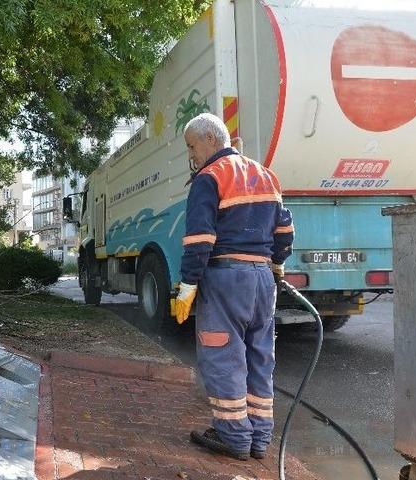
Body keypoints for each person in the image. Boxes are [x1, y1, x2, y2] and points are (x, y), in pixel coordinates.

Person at [173, 113, 294, 460]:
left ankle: (234, 437)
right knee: (260, 356)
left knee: (222, 356)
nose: (191, 156)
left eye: (191, 146)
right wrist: (276, 265)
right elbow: (284, 232)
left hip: (226, 277)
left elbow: (199, 239)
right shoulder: (266, 175)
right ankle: (259, 439)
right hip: (262, 279)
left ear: (211, 139)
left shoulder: (209, 178)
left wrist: (187, 287)